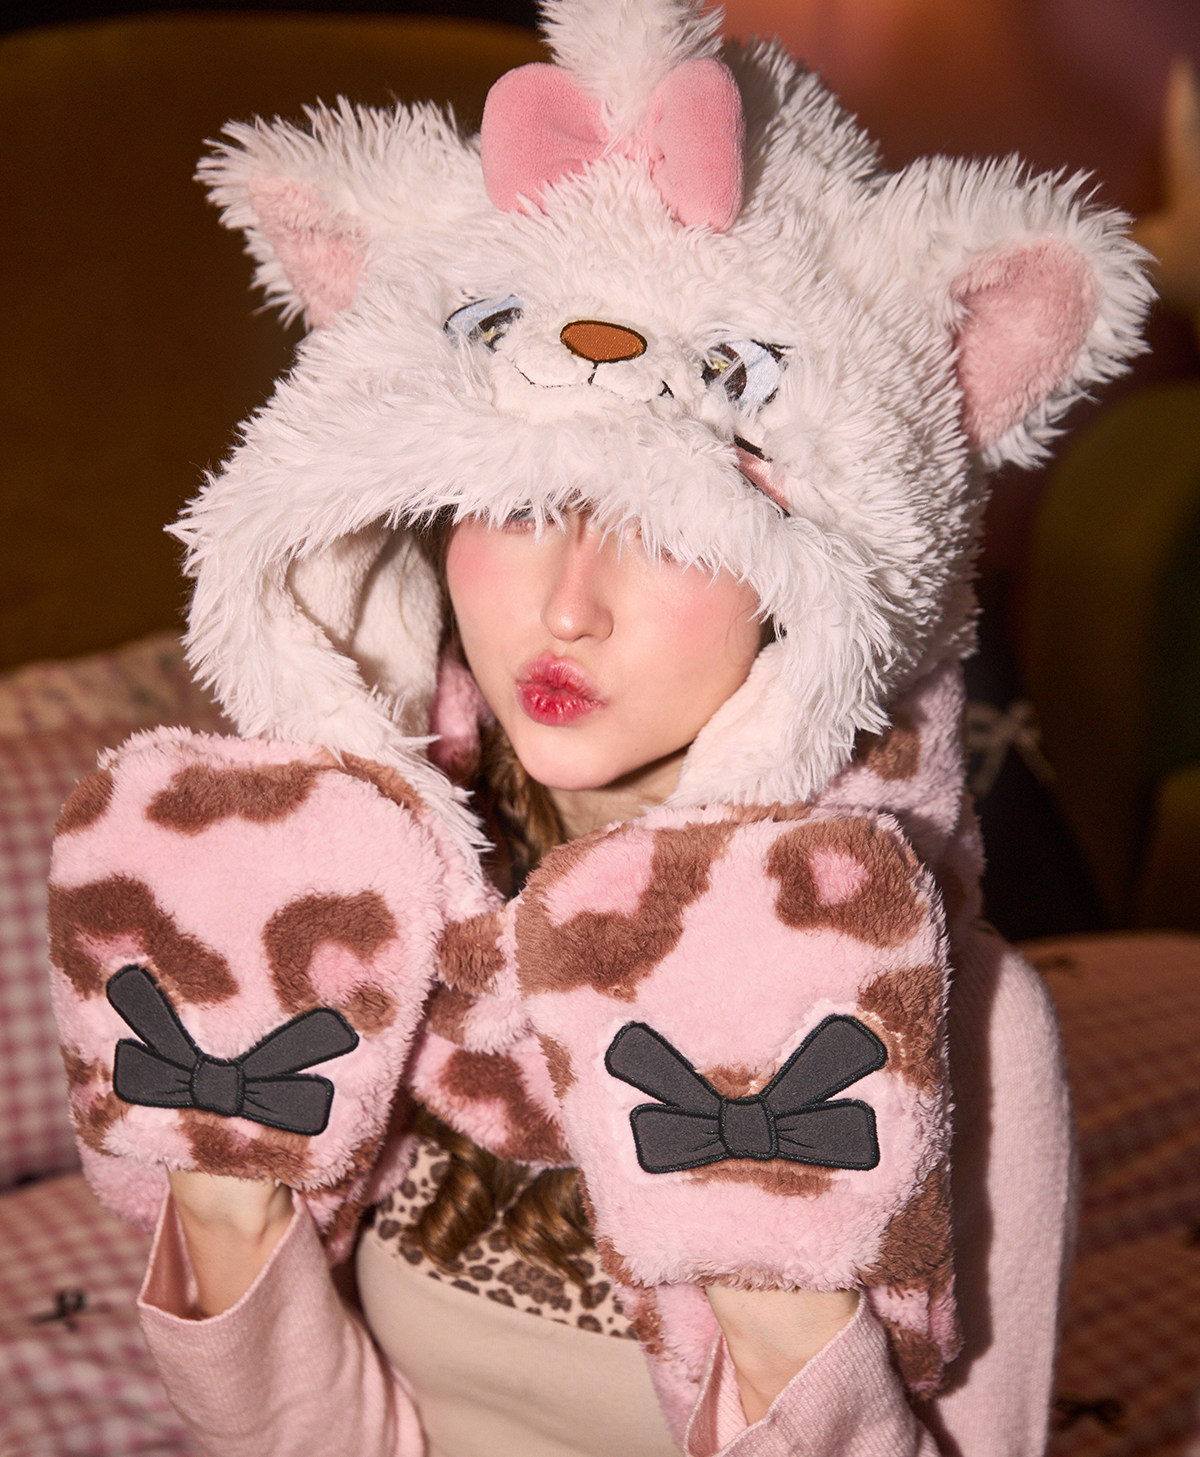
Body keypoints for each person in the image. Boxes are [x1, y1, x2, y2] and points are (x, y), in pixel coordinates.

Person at [45, 1, 1150, 1452]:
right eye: (515, 506)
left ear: (810, 585)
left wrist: (786, 1311)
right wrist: (225, 1201)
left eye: (668, 529)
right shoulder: (376, 923)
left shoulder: (956, 1017)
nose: (566, 607)